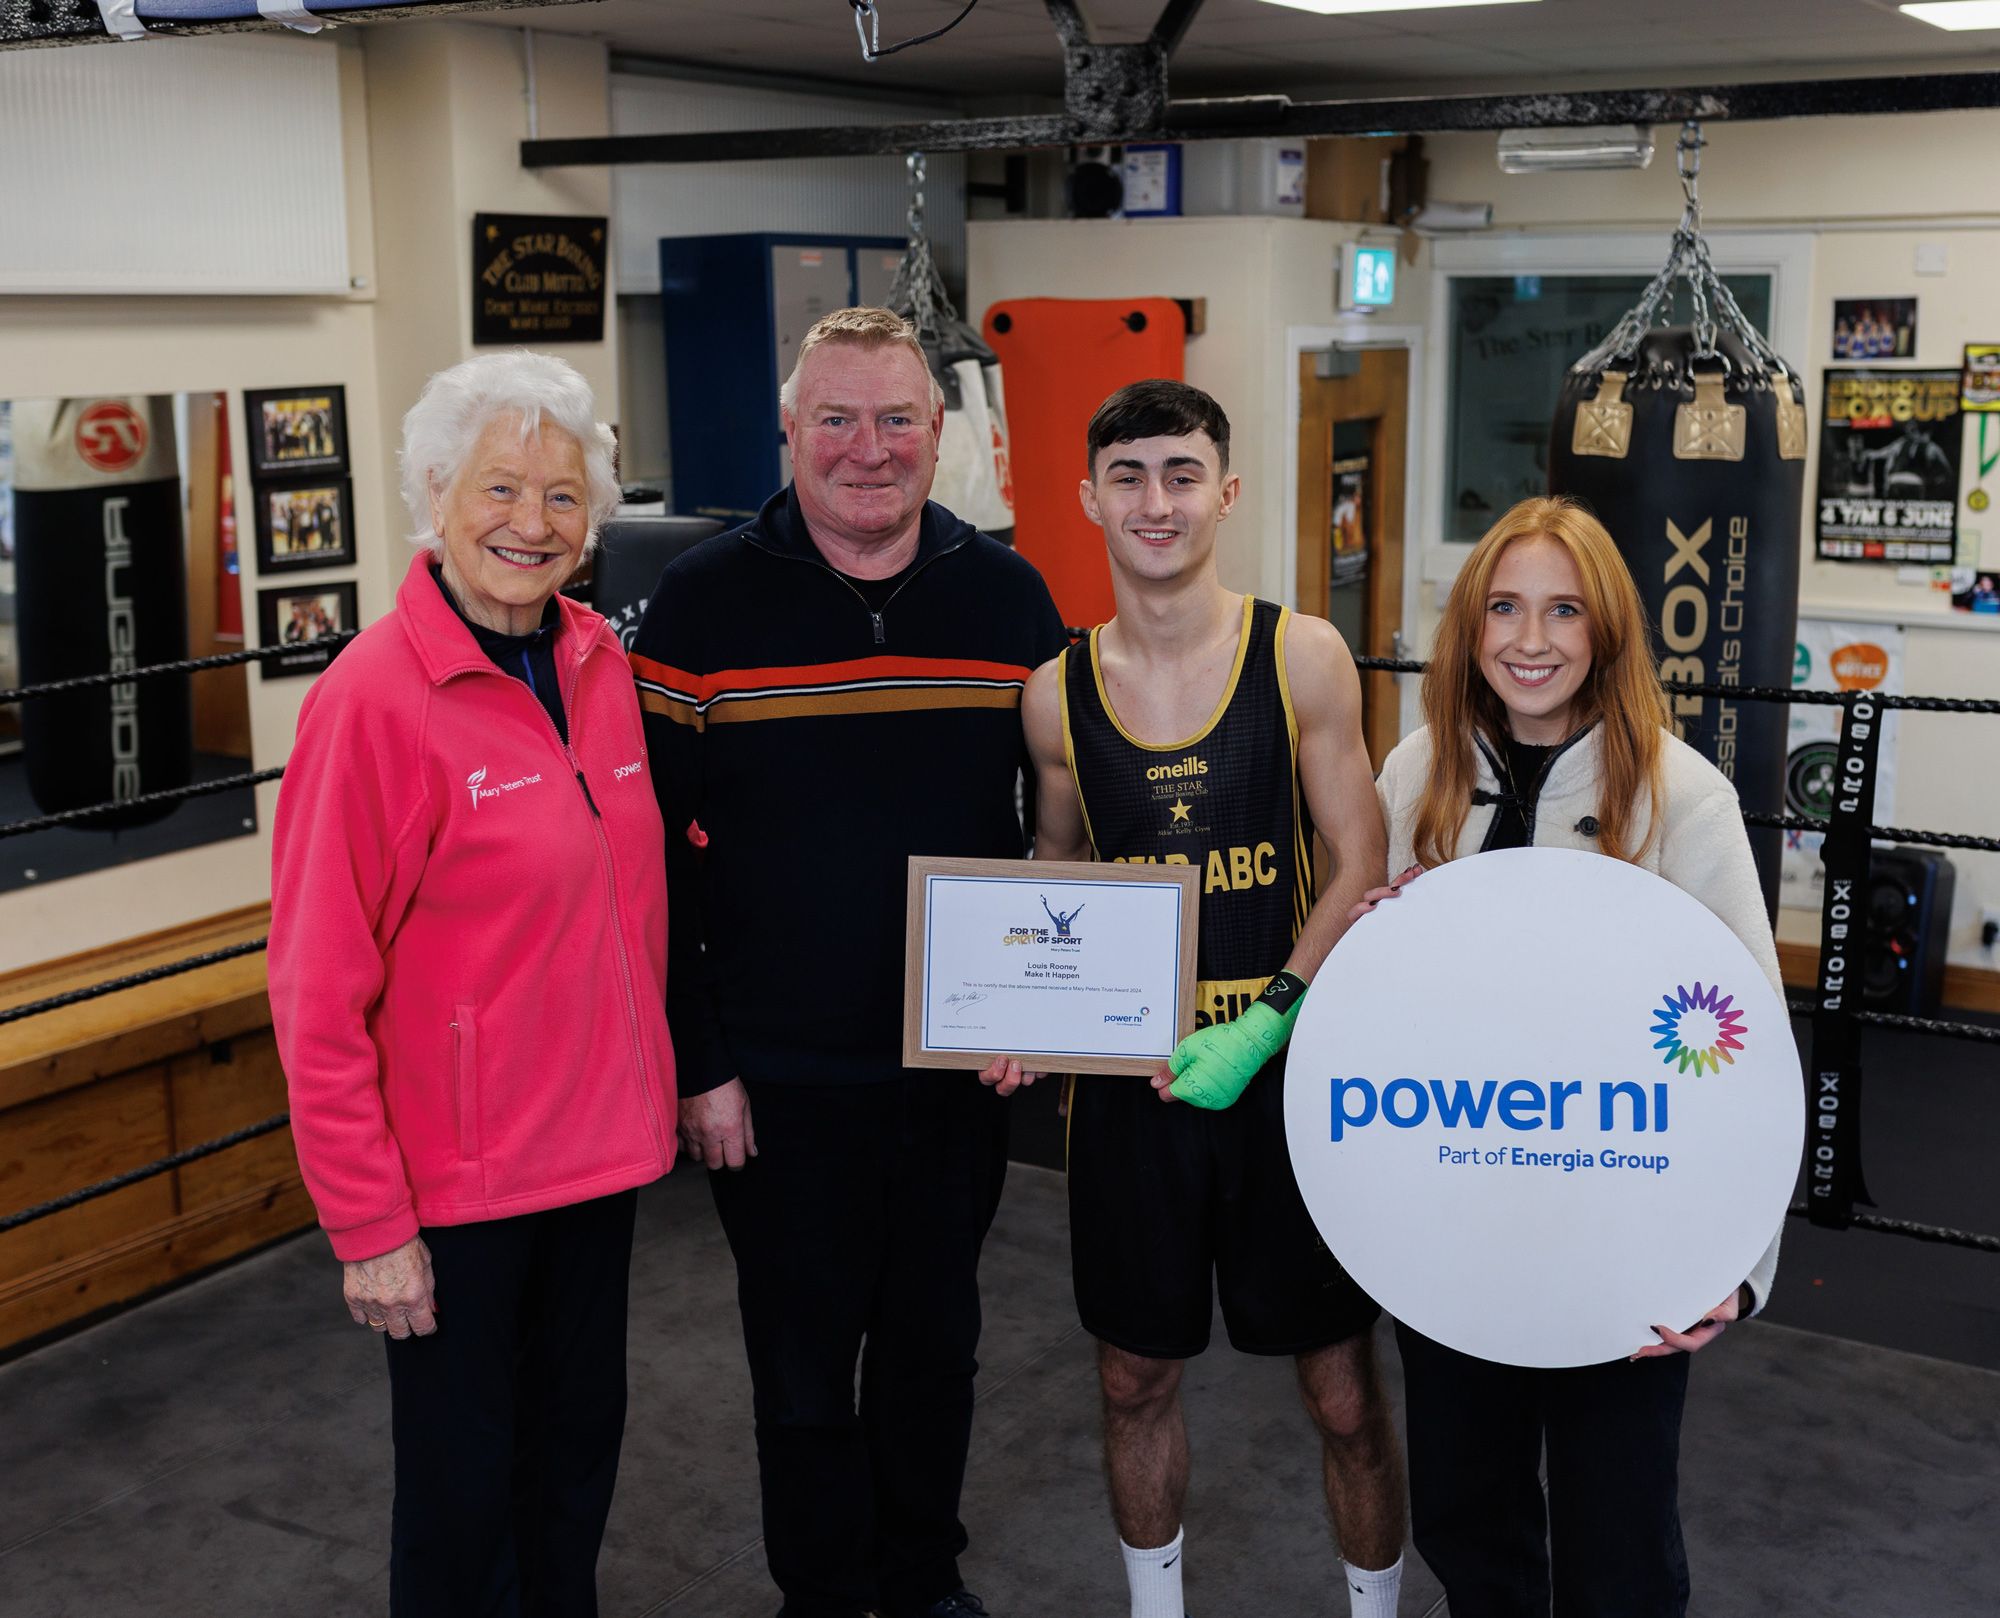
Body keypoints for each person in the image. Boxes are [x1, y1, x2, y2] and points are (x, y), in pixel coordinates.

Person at [629, 306, 1067, 1618]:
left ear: (943, 434)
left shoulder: (1009, 595)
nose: (864, 449)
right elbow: (654, 860)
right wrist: (699, 1067)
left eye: (893, 420)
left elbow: (1052, 818)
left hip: (954, 1069)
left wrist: (1041, 997)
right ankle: (821, 1591)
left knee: (939, 1345)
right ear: (789, 429)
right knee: (804, 1366)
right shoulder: (702, 605)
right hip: (776, 1078)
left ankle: (923, 1577)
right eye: (836, 418)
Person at [981, 380, 1407, 1618]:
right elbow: (1056, 861)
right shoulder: (1053, 690)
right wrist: (1016, 1003)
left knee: (1337, 1384)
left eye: (1180, 473)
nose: (1154, 501)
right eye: (1128, 476)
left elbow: (1356, 868)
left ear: (1224, 491)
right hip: (1129, 1085)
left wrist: (1266, 1017)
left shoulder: (1301, 654)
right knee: (1131, 1378)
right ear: (1087, 499)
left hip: (1282, 1075)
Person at [268, 351, 677, 1617]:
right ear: (436, 496)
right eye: (500, 488)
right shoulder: (373, 699)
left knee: (570, 1475)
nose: (530, 524)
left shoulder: (599, 665)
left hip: (597, 1161)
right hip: (458, 1190)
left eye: (563, 499)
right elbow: (315, 987)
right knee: (461, 1504)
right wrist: (370, 1224)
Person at [1357, 494, 1784, 1618]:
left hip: (1624, 1237)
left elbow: (1749, 1041)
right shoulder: (1417, 774)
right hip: (1458, 1228)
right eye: (1502, 607)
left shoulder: (1679, 795)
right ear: (1468, 625)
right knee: (1463, 1518)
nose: (1528, 639)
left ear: (1603, 631)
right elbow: (1380, 1003)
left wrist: (1736, 1263)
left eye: (1560, 611)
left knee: (1618, 1541)